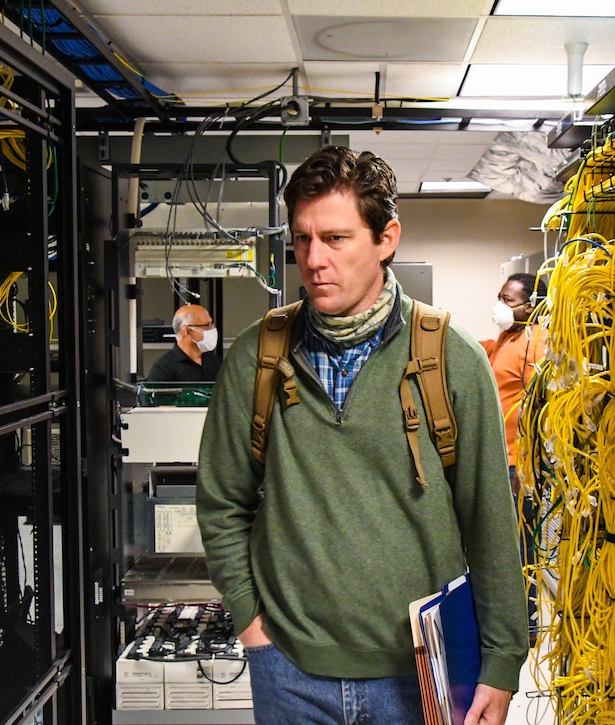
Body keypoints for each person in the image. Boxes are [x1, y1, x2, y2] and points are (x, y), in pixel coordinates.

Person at [197, 146, 528, 724]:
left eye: (336, 238)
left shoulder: (450, 358)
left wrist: (501, 663)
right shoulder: (259, 355)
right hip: (291, 670)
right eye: (302, 239)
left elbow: (491, 523)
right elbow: (222, 501)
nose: (314, 260)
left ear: (387, 238)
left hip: (421, 674)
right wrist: (251, 622)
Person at [480, 272, 548, 643]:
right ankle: (508, 620)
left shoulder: (536, 344)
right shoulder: (511, 337)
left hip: (516, 465)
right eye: (500, 297)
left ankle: (527, 624)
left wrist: (526, 466)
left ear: (531, 305)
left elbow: (539, 411)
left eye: (509, 300)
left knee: (519, 548)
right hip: (499, 460)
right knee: (501, 547)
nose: (501, 306)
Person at [145, 303, 221, 382]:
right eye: (206, 325)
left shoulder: (215, 361)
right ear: (186, 330)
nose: (212, 329)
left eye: (212, 324)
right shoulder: (163, 370)